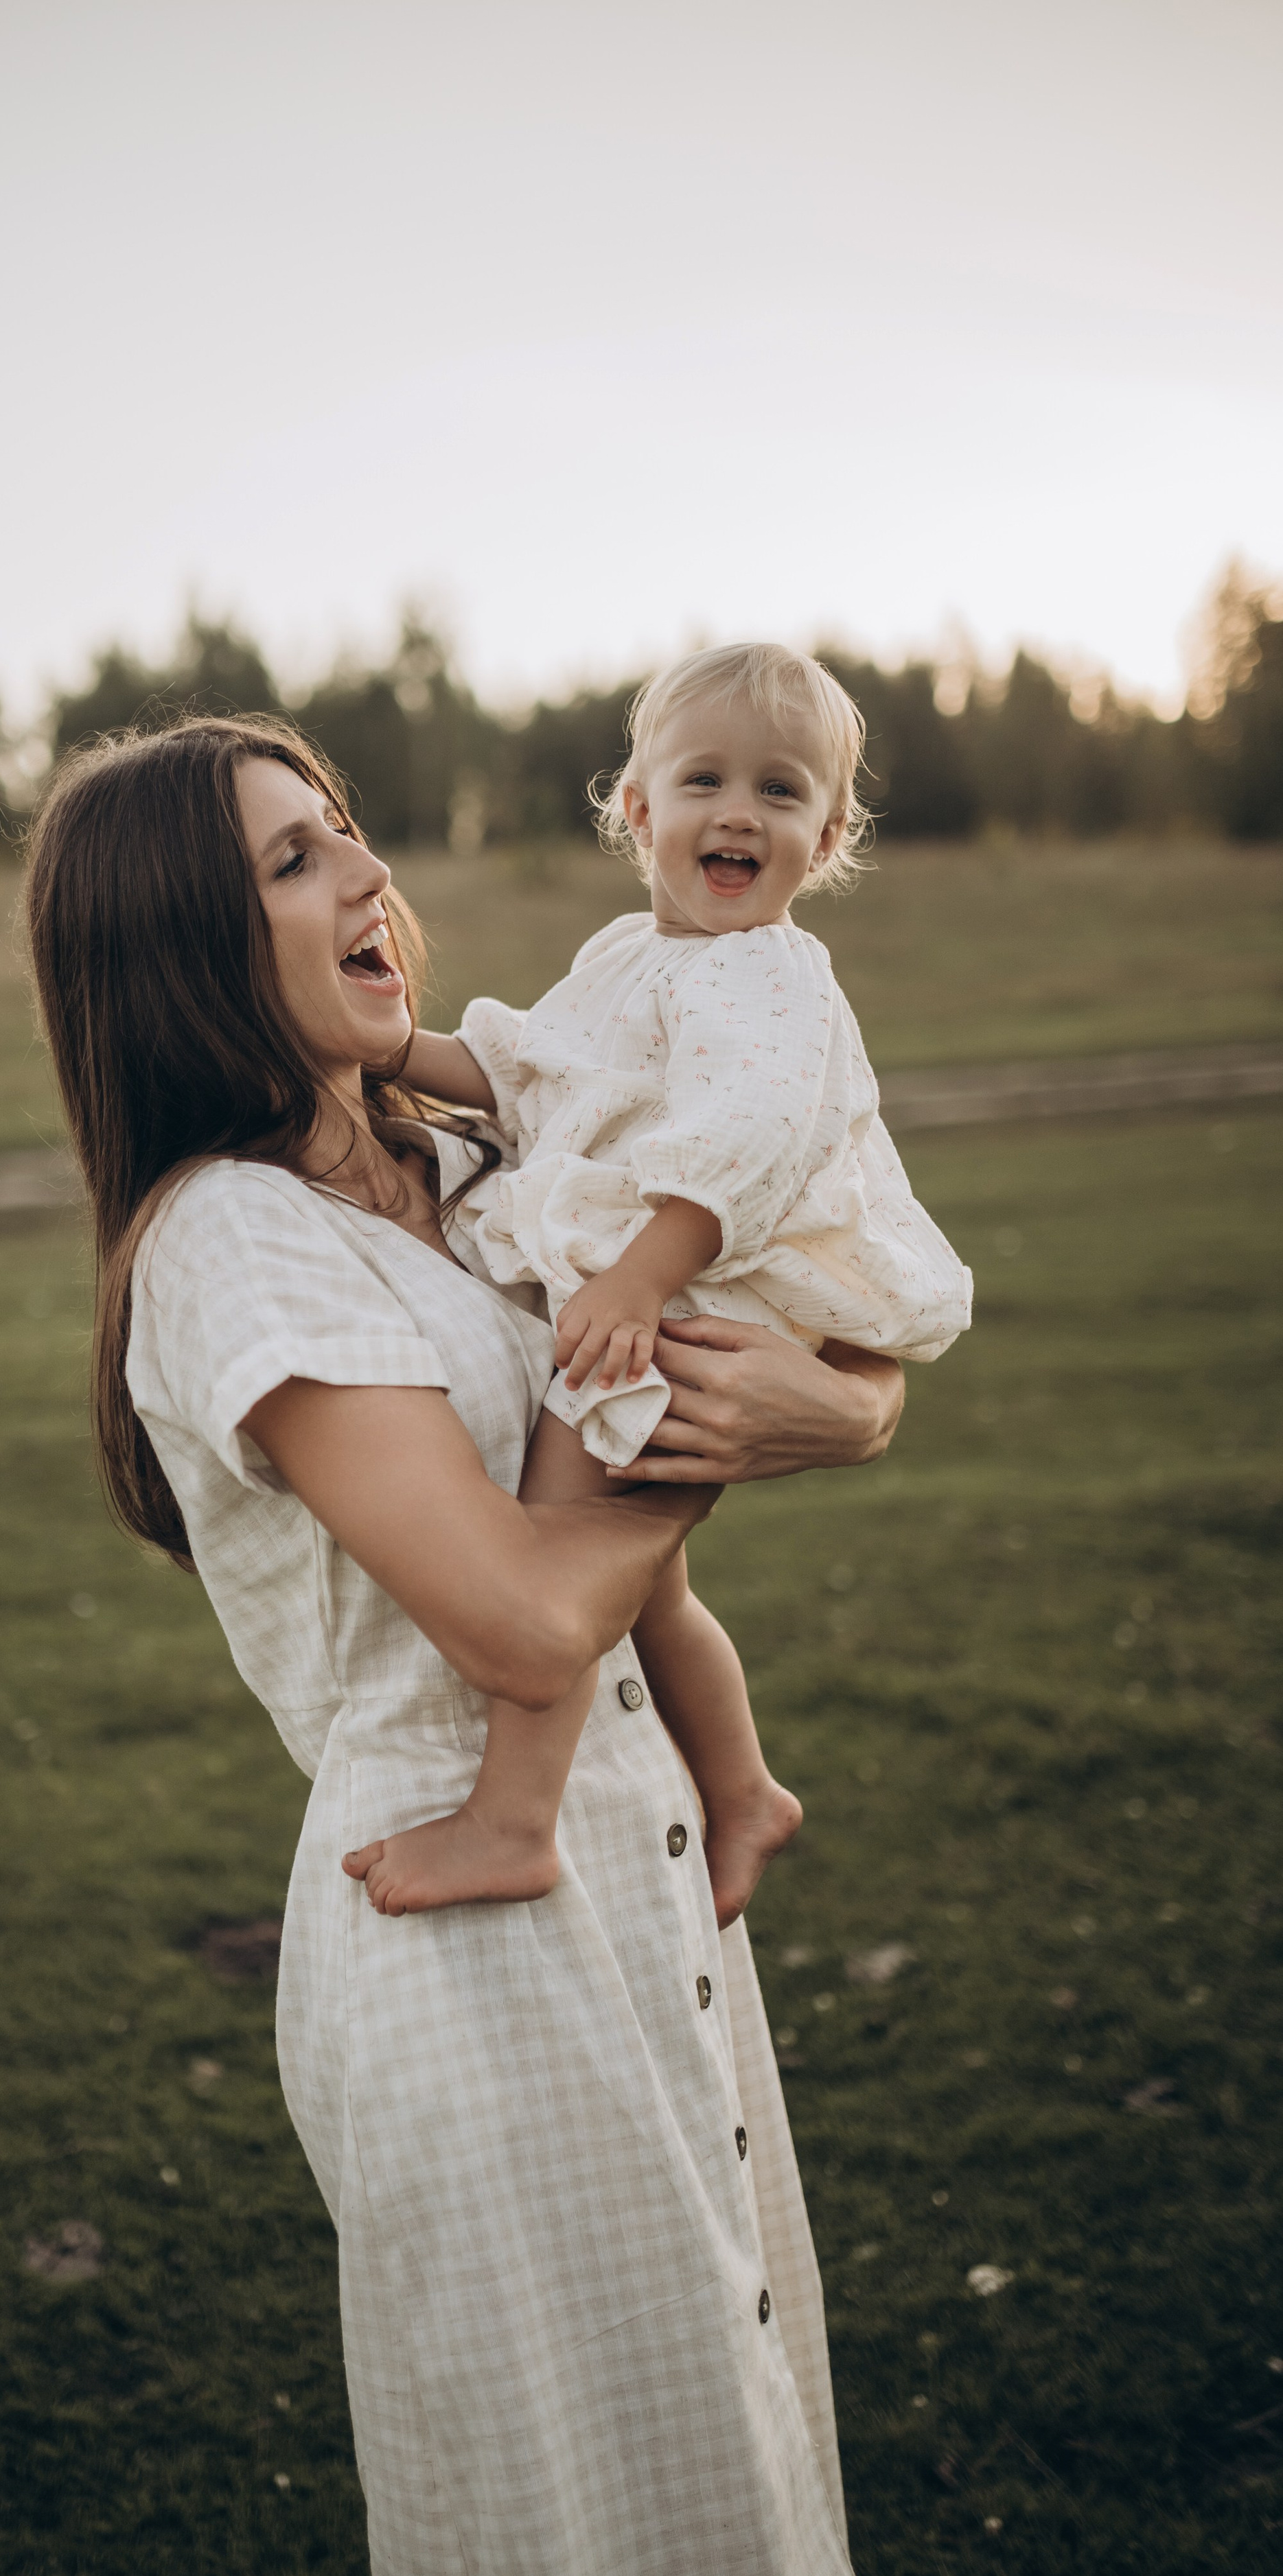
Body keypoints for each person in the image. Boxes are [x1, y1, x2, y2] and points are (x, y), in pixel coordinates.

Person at [24, 712, 896, 2576]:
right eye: (290, 862)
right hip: (462, 1937)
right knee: (573, 2546)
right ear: (181, 949)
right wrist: (748, 1439)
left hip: (640, 1879)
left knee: (733, 2479)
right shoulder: (229, 1243)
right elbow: (511, 1618)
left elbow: (787, 1296)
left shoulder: (466, 1146)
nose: (367, 879)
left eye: (345, 833)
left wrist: (848, 1415)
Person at [351, 644, 972, 1922]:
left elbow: (740, 1150)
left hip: (702, 1287)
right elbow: (534, 1071)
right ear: (638, 811)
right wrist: (391, 1052)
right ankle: (743, 1791)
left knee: (564, 1532)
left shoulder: (773, 978)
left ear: (829, 834)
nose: (739, 811)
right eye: (705, 780)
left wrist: (637, 1283)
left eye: (782, 791)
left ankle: (512, 1822)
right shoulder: (634, 953)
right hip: (662, 1275)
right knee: (653, 1585)